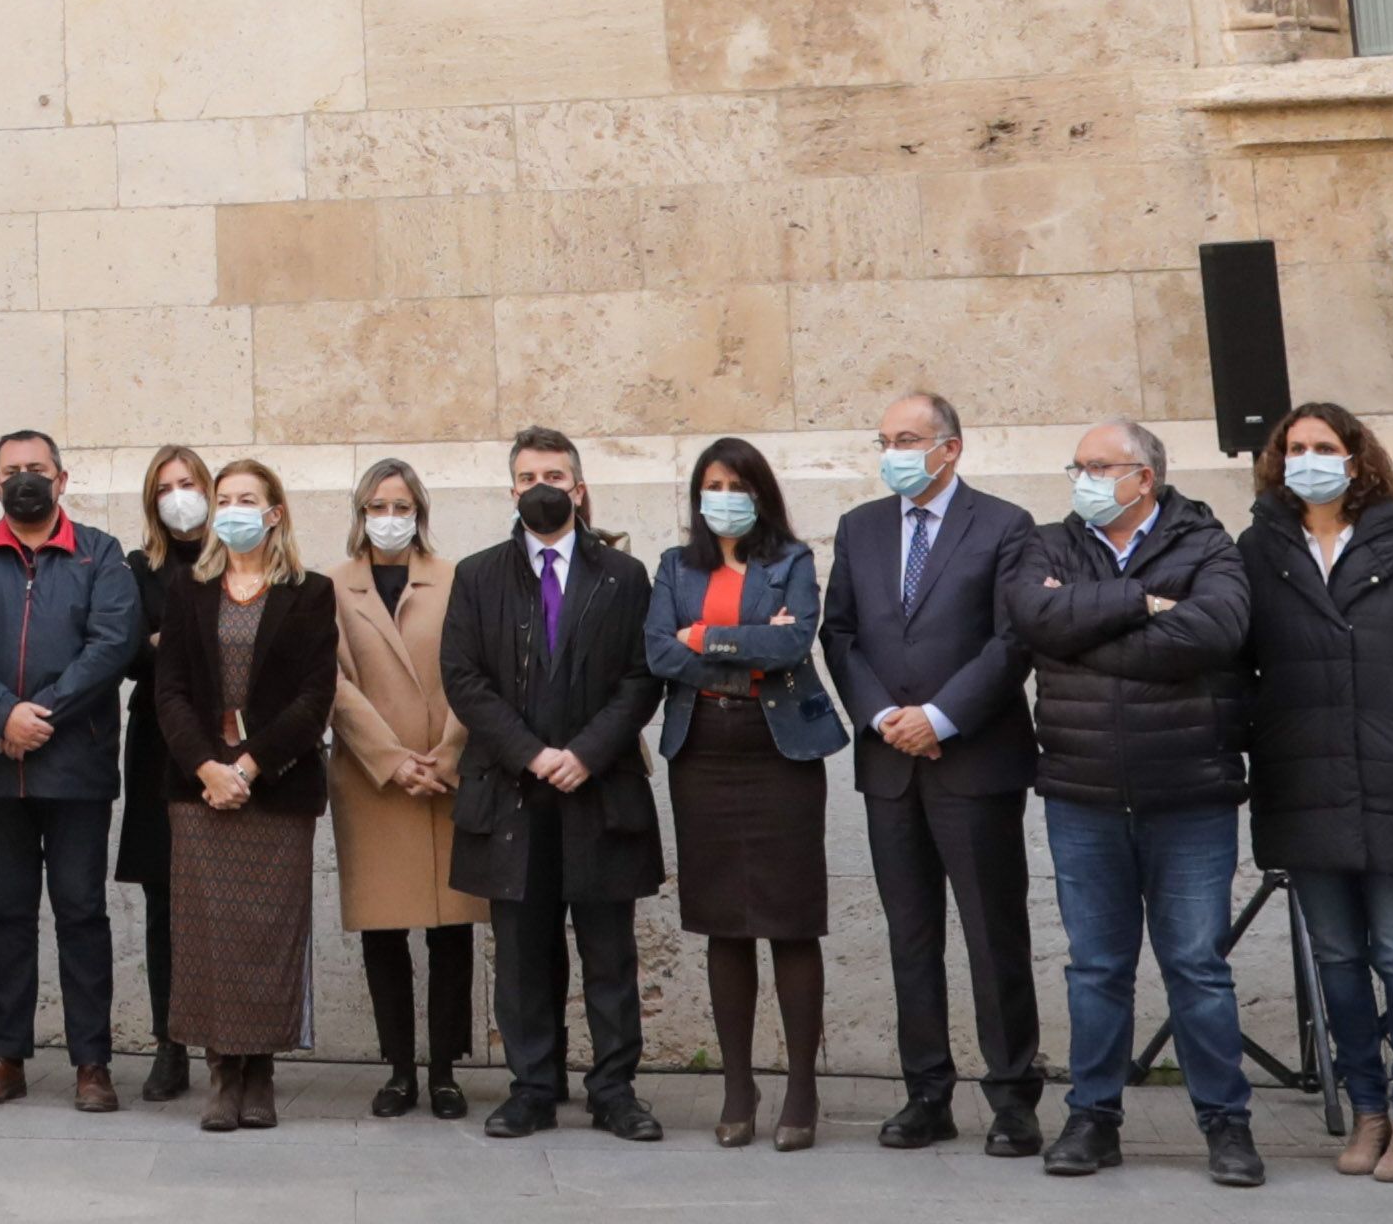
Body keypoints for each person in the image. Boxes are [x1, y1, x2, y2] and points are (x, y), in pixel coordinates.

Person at [1006, 419, 1258, 1185]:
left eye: (1097, 465)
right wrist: (1141, 603)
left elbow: (1212, 632)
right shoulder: (1048, 545)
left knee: (1196, 964)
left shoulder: (1207, 544)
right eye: (1076, 465)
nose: (1081, 477)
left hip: (1188, 793)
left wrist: (1085, 622)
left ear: (1143, 478)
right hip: (1081, 791)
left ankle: (1226, 1124)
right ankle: (1093, 1117)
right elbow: (1034, 620)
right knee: (1095, 968)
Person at [1243, 401, 1393, 1182]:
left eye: (1324, 446)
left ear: (1354, 458)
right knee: (1337, 958)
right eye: (1295, 447)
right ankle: (1367, 1111)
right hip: (1302, 778)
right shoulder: (1258, 548)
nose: (1308, 458)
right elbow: (1237, 656)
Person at [828, 390, 1041, 1154]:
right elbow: (840, 632)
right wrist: (884, 716)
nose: (894, 451)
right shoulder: (860, 528)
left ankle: (1013, 1096)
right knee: (910, 935)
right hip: (889, 763)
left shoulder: (1005, 525)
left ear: (951, 447)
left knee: (993, 933)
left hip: (973, 761)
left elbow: (1010, 639)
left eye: (909, 438)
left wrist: (940, 716)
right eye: (884, 438)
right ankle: (926, 1092)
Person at [445, 424, 666, 1143]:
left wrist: (586, 753)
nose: (543, 488)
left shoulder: (623, 577)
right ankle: (532, 1086)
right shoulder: (477, 575)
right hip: (514, 791)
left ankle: (615, 1089)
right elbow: (464, 678)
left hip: (598, 789)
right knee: (520, 952)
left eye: (556, 476)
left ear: (579, 487)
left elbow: (640, 677)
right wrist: (532, 754)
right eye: (529, 477)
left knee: (608, 951)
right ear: (512, 489)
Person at [648, 438, 844, 1150]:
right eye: (712, 483)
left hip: (778, 756)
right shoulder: (674, 566)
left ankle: (800, 1086)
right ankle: (737, 1084)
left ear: (759, 492)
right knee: (721, 921)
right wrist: (742, 642)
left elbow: (791, 649)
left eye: (735, 483)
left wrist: (703, 637)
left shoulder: (790, 561)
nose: (723, 494)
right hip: (701, 754)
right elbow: (656, 652)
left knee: (790, 920)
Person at [0, 423, 137, 1110]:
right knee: (7, 913)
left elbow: (111, 645)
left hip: (75, 763)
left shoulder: (100, 553)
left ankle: (92, 1062)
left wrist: (39, 715)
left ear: (62, 479)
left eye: (36, 467)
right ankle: (5, 1056)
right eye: (10, 469)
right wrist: (2, 715)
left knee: (82, 912)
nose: (22, 478)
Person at [145, 454, 335, 1132]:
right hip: (198, 788)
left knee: (266, 935)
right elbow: (167, 691)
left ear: (274, 513)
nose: (230, 509)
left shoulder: (310, 592)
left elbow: (315, 696)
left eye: (245, 499)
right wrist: (207, 768)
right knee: (207, 936)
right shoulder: (187, 591)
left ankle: (261, 1073)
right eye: (222, 497)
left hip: (274, 788)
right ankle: (221, 1072)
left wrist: (249, 768)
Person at [326, 457, 478, 1120]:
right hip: (372, 781)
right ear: (360, 514)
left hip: (449, 772)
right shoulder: (330, 587)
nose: (389, 519)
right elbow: (331, 683)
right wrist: (391, 760)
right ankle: (397, 1069)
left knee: (451, 933)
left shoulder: (456, 579)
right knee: (382, 932)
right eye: (377, 506)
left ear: (419, 510)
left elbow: (475, 668)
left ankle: (444, 1069)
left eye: (400, 506)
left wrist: (446, 753)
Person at [114, 439, 216, 1105]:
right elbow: (126, 651)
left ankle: (229, 1043)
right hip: (156, 745)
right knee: (163, 904)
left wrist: (167, 642)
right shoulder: (134, 567)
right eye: (164, 486)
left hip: (230, 746)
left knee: (223, 899)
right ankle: (168, 1043)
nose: (178, 495)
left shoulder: (234, 559)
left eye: (188, 482)